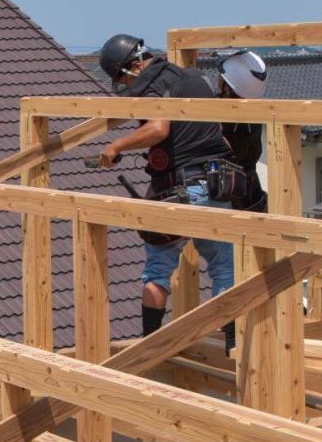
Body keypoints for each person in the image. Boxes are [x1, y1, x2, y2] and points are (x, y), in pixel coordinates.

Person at [95, 34, 236, 344]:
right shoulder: (192, 77)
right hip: (218, 184)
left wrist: (116, 145)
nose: (128, 87)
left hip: (182, 188)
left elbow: (159, 128)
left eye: (123, 79)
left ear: (134, 67)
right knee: (224, 269)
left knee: (158, 271)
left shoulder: (152, 85)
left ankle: (151, 347)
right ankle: (232, 346)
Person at [215, 50, 268, 213]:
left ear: (226, 84)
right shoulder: (255, 110)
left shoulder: (217, 112)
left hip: (227, 192)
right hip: (251, 193)